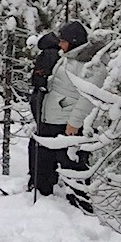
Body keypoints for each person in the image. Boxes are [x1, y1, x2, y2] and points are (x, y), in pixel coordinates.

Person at [40, 20, 101, 211]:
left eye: (63, 40)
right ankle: (47, 203)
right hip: (54, 119)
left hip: (69, 124)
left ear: (74, 41)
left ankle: (81, 208)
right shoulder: (68, 57)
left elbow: (88, 98)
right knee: (46, 162)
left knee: (74, 167)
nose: (60, 44)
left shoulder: (90, 65)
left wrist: (74, 123)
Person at [27, 30, 63, 197]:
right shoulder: (58, 54)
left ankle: (37, 179)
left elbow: (38, 80)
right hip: (50, 102)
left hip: (42, 101)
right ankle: (48, 178)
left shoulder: (47, 54)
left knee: (40, 139)